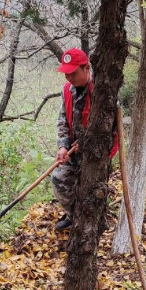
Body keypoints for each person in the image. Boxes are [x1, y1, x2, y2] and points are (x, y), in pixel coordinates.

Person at [51, 48, 118, 230]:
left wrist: (88, 142)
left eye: (73, 73)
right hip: (73, 151)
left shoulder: (101, 89)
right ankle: (75, 216)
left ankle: (96, 221)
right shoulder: (67, 90)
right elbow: (63, 120)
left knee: (92, 189)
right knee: (59, 179)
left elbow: (108, 127)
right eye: (66, 74)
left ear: (86, 68)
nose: (69, 78)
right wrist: (63, 146)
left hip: (98, 152)